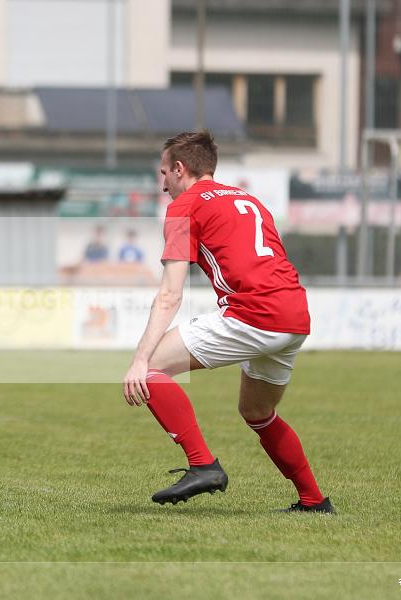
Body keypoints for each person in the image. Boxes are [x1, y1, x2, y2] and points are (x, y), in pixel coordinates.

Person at [122, 130, 333, 513]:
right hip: (294, 314)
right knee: (257, 413)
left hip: (254, 313)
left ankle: (203, 465)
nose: (163, 184)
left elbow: (170, 294)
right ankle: (313, 501)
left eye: (164, 172)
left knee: (151, 368)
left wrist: (138, 358)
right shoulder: (248, 200)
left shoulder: (185, 206)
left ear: (180, 169)